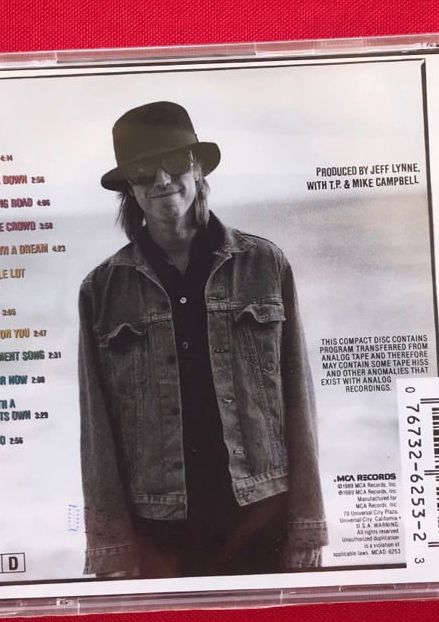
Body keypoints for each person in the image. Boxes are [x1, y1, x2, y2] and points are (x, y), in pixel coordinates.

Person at [78, 101, 327, 579]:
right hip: (160, 535)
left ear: (197, 166)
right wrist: (111, 550)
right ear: (129, 186)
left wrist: (308, 527)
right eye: (143, 171)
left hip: (263, 518)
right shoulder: (102, 291)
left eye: (173, 162)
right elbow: (98, 438)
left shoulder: (264, 265)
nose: (161, 180)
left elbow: (300, 404)